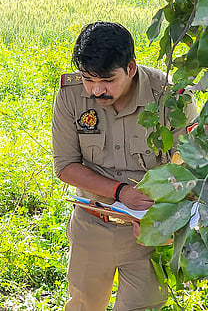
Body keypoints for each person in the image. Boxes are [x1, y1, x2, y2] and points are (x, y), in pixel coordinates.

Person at [52, 21, 198, 310]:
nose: (95, 90)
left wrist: (163, 220)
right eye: (88, 79)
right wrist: (121, 192)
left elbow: (192, 168)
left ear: (131, 68)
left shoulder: (170, 98)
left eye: (106, 80)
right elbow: (65, 165)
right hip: (93, 223)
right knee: (84, 304)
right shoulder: (70, 95)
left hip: (150, 232)